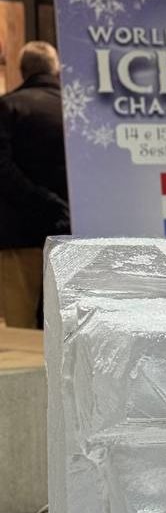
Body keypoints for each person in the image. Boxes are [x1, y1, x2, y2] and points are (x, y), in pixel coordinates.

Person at [0, 41, 69, 328]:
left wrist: (40, 201)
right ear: (56, 69)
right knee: (67, 326)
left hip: (20, 234)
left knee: (23, 329)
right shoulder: (75, 111)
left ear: (22, 70)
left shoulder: (8, 107)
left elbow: (2, 170)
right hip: (73, 236)